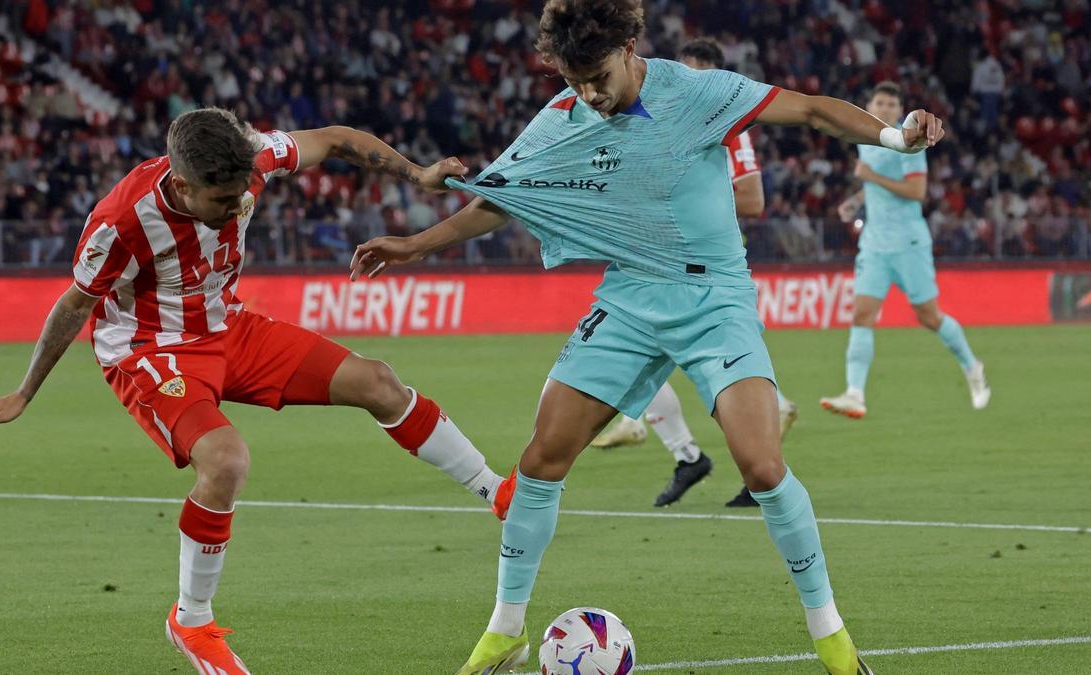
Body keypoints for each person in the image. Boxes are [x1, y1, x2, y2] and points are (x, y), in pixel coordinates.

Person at [350, 0, 944, 670]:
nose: (589, 93)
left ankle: (834, 640)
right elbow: (504, 196)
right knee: (542, 457)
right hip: (630, 295)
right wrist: (417, 245)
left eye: (598, 75)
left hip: (714, 295)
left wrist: (896, 141)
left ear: (631, 46)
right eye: (575, 80)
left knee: (763, 465)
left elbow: (807, 108)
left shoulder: (696, 92)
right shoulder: (562, 118)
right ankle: (505, 629)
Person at [0, 108, 512, 674]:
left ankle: (497, 493)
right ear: (182, 185)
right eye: (222, 201)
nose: (236, 209)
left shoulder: (252, 156)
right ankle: (193, 620)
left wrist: (418, 173)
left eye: (240, 196)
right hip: (152, 350)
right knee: (226, 462)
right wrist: (25, 392)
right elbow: (74, 305)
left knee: (377, 381)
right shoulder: (121, 220)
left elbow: (333, 139)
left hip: (229, 327)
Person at [589, 37, 800, 510]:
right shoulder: (648, 119)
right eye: (678, 72)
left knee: (679, 367)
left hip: (706, 272)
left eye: (696, 75)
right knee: (645, 359)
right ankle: (691, 455)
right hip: (656, 264)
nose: (681, 84)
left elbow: (754, 200)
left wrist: (683, 186)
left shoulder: (730, 122)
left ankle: (723, 457)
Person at [821, 81, 989, 419]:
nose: (884, 109)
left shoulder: (909, 143)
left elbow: (916, 192)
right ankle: (855, 393)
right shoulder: (865, 139)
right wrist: (855, 200)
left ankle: (972, 367)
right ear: (869, 104)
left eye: (890, 105)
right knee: (862, 315)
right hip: (874, 244)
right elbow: (874, 185)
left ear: (900, 112)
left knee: (929, 317)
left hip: (909, 243)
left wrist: (869, 176)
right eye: (879, 102)